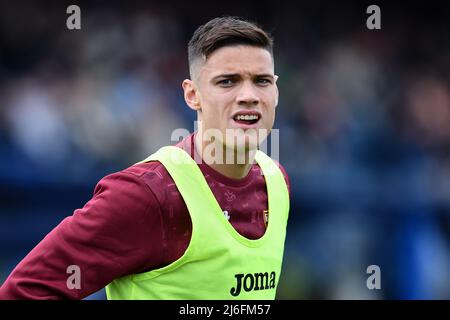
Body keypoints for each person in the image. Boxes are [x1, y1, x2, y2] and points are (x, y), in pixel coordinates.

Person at [0, 16, 291, 300]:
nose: (249, 95)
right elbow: (24, 291)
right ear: (193, 95)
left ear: (276, 91)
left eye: (262, 81)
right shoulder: (149, 193)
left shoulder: (278, 182)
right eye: (228, 82)